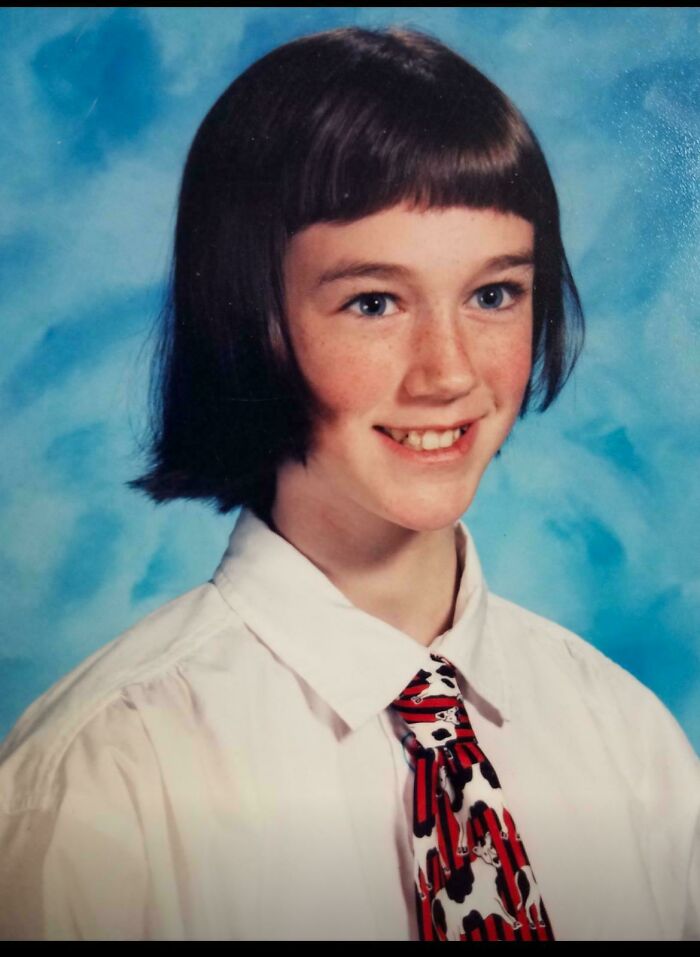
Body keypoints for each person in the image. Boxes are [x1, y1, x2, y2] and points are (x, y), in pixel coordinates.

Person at [0, 25, 698, 942]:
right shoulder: (106, 780)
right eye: (374, 301)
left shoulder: (631, 744)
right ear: (248, 322)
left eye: (493, 294)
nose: (449, 371)